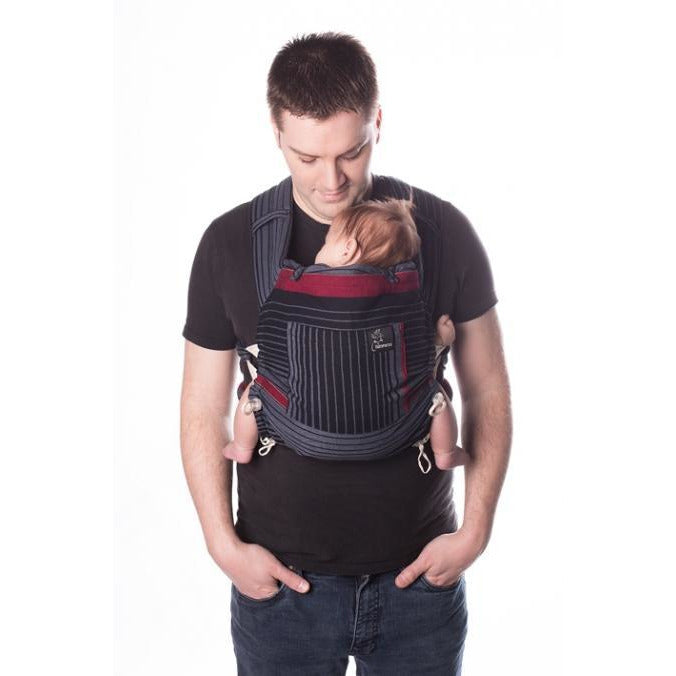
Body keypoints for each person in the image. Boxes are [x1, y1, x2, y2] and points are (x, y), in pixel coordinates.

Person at [180, 31, 512, 675]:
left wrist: (474, 532)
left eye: (352, 152)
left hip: (419, 583)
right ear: (276, 131)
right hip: (281, 590)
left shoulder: (442, 232)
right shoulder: (230, 242)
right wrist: (223, 546)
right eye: (307, 157)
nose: (331, 180)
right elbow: (200, 404)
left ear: (377, 121)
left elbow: (488, 388)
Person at [222, 195, 470, 471]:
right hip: (391, 432)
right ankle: (445, 452)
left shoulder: (296, 290)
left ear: (347, 249)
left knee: (257, 388)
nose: (320, 250)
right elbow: (417, 356)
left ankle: (242, 446)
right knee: (435, 396)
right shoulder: (403, 302)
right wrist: (440, 341)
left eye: (327, 242)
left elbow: (271, 346)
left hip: (299, 429)